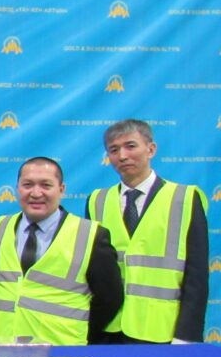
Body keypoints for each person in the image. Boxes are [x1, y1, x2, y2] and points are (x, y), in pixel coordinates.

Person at [87, 119, 208, 344]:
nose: (122, 156)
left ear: (151, 149)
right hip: (108, 329)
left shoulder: (184, 199)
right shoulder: (97, 201)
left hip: (161, 331)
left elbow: (197, 275)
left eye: (130, 146)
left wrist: (186, 336)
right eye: (114, 150)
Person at [0, 157, 122, 345]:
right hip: (3, 347)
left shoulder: (90, 235)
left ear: (61, 190)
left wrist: (79, 331)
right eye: (27, 185)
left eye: (46, 185)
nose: (36, 193)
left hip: (62, 351)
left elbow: (109, 299)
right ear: (17, 188)